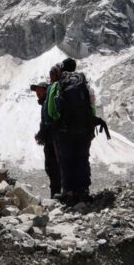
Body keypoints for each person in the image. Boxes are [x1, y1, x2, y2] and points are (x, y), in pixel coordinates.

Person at [49, 57, 110, 205]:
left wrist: (60, 122)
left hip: (65, 131)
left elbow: (51, 111)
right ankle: (83, 191)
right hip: (84, 130)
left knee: (67, 160)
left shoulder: (58, 85)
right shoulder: (84, 84)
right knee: (82, 159)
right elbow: (92, 107)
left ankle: (69, 193)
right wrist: (88, 126)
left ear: (62, 69)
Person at [31, 63, 64, 198]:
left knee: (53, 168)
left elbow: (47, 121)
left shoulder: (48, 102)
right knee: (54, 168)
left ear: (46, 90)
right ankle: (60, 194)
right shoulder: (48, 102)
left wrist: (42, 134)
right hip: (54, 139)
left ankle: (55, 196)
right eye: (36, 91)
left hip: (53, 141)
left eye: (40, 90)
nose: (37, 93)